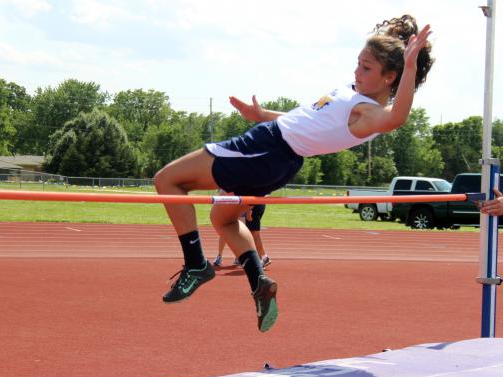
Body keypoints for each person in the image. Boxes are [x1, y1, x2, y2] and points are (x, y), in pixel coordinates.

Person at [154, 15, 433, 333]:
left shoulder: (366, 112)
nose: (356, 72)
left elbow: (396, 117)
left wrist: (410, 66)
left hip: (266, 147)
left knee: (168, 180)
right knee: (223, 219)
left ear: (390, 77)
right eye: (357, 63)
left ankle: (196, 264)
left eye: (366, 68)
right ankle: (259, 282)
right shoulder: (354, 98)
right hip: (281, 158)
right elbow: (306, 121)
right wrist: (262, 115)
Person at [213, 204, 271, 269]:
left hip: (242, 207)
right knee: (225, 231)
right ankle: (220, 256)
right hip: (232, 207)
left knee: (245, 233)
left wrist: (249, 210)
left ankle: (240, 257)